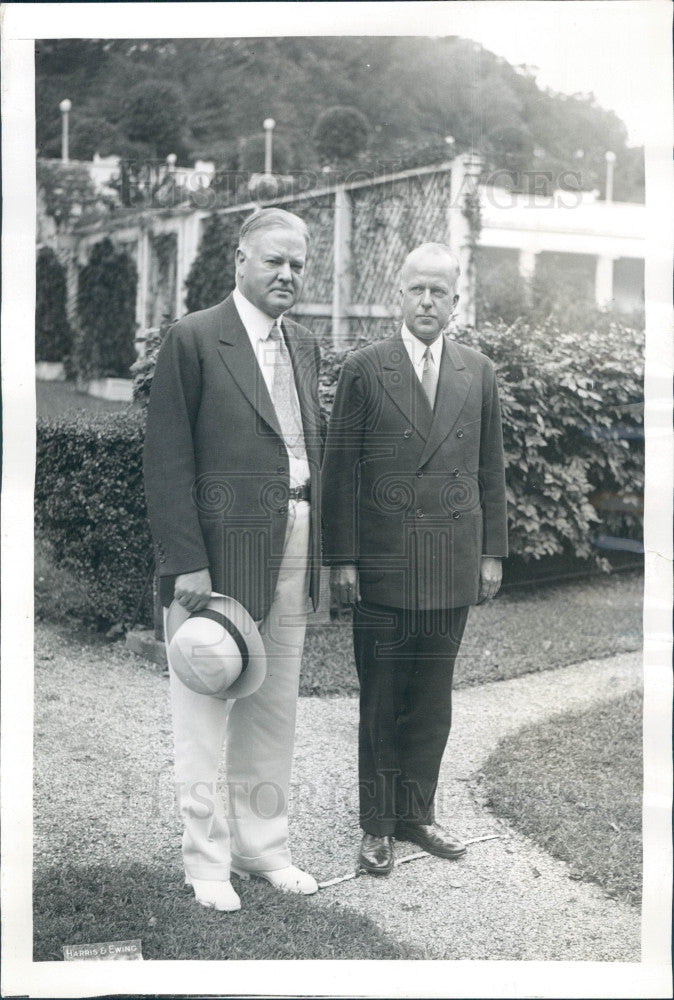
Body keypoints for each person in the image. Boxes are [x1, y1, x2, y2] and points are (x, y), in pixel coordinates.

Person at [143, 208, 323, 910]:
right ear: (240, 261)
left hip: (294, 544)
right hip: (216, 560)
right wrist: (188, 563)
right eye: (275, 260)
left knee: (273, 707)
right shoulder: (193, 339)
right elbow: (166, 461)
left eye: (298, 265)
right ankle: (206, 862)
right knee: (205, 703)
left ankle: (262, 849)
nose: (287, 275)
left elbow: (310, 447)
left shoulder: (304, 345)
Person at [321, 243, 507, 875]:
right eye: (416, 290)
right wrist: (340, 559)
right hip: (382, 562)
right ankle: (377, 825)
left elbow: (491, 470)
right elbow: (339, 469)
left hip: (452, 562)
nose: (427, 302)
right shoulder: (365, 368)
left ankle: (417, 815)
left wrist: (492, 553)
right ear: (398, 295)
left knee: (432, 697)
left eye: (440, 292)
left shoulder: (477, 371)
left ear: (456, 301)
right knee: (381, 696)